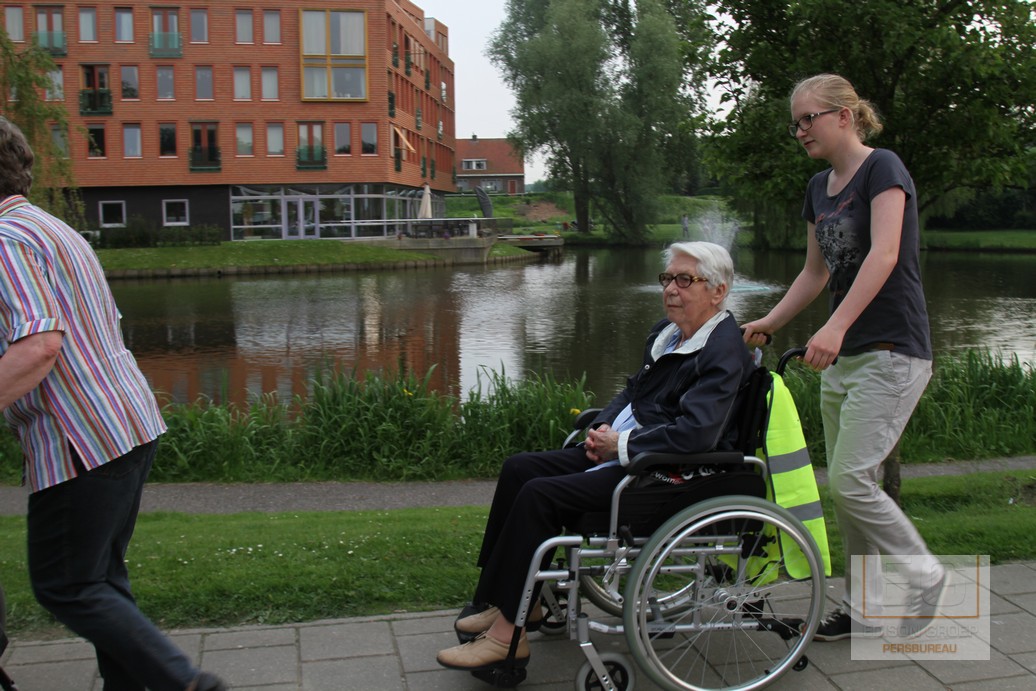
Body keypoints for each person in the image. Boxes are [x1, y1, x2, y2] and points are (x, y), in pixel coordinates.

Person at [436, 241, 754, 673]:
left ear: (718, 292)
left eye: (685, 280)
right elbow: (633, 392)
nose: (671, 289)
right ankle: (506, 601)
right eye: (668, 278)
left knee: (540, 495)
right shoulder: (668, 334)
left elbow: (696, 432)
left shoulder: (722, 350)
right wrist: (603, 427)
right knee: (519, 468)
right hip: (626, 453)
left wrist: (620, 445)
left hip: (662, 473)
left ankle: (507, 638)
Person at [0, 117, 226, 691]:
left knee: (67, 584)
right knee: (100, 577)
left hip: (78, 437)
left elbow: (39, 345)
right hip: (124, 423)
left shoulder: (4, 241)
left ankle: (187, 683)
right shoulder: (50, 228)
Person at [741, 74, 945, 641]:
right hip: (846, 357)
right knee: (854, 487)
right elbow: (815, 272)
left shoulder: (883, 168)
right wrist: (769, 322)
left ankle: (925, 574)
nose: (801, 130)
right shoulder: (818, 188)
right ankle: (862, 609)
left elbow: (884, 254)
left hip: (892, 349)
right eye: (796, 123)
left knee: (851, 483)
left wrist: (834, 325)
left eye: (809, 118)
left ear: (845, 116)